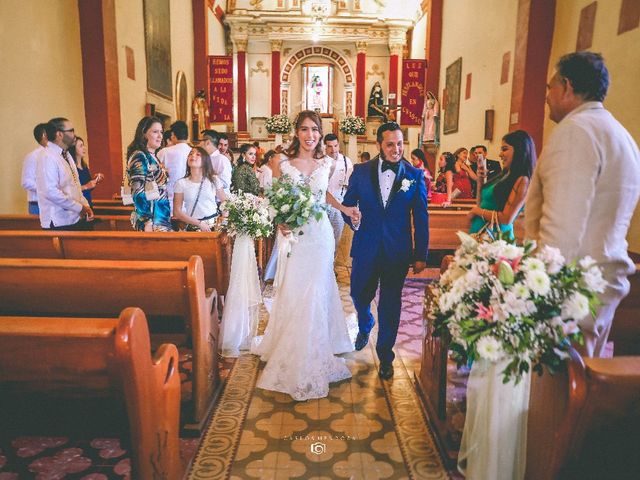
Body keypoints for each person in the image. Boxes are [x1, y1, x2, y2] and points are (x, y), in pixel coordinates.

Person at [525, 51, 640, 357]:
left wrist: (536, 290)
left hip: (569, 291)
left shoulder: (576, 132)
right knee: (583, 380)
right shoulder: (621, 135)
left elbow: (561, 227)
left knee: (556, 391)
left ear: (567, 86)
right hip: (601, 280)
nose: (547, 96)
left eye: (550, 87)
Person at [251, 110, 359, 401]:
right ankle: (294, 345)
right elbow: (274, 197)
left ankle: (315, 347)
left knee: (318, 288)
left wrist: (345, 209)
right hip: (297, 235)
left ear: (320, 134)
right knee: (298, 288)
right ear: (296, 133)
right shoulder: (283, 163)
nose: (310, 135)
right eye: (305, 130)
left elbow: (323, 194)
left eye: (315, 130)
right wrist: (280, 220)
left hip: (321, 234)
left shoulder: (327, 162)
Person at [342, 122, 429, 380]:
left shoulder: (414, 176)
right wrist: (353, 219)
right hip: (366, 246)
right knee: (359, 293)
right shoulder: (360, 172)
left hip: (397, 251)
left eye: (400, 143)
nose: (396, 149)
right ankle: (365, 321)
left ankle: (385, 355)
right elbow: (348, 206)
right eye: (390, 144)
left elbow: (421, 216)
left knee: (391, 304)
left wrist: (421, 254)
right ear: (379, 144)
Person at [468, 130, 536, 241]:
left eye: (505, 149)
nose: (500, 154)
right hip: (480, 233)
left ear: (519, 150)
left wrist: (477, 211)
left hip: (496, 237)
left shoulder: (523, 180)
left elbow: (506, 218)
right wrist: (480, 180)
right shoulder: (504, 174)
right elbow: (481, 203)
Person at [36, 117, 93, 230]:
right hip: (58, 221)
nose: (74, 135)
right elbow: (51, 192)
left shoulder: (66, 155)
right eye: (71, 131)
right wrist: (79, 208)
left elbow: (75, 184)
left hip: (73, 218)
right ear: (59, 134)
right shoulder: (48, 157)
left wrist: (85, 205)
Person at [126, 116, 172, 232]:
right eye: (155, 132)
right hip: (152, 221)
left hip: (161, 217)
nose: (160, 136)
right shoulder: (139, 156)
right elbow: (137, 192)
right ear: (144, 134)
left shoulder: (153, 156)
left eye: (161, 132)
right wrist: (147, 220)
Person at [173, 146, 226, 231]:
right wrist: (199, 223)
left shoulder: (214, 180)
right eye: (190, 154)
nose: (193, 156)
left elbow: (225, 201)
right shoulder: (181, 183)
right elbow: (177, 212)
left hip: (213, 225)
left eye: (198, 154)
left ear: (205, 160)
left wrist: (223, 219)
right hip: (193, 226)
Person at [324, 133, 354, 249]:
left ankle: (331, 265)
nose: (333, 150)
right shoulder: (321, 161)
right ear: (325, 147)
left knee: (336, 239)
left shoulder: (346, 161)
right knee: (323, 239)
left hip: (339, 205)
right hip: (322, 205)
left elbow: (352, 182)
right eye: (330, 147)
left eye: (335, 146)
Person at [157, 120, 191, 212]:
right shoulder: (194, 152)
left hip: (168, 198)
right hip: (189, 199)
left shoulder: (164, 152)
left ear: (173, 135)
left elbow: (154, 170)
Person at [69, 136, 104, 207]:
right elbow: (70, 190)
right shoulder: (71, 168)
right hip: (78, 205)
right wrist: (86, 186)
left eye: (83, 145)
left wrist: (96, 180)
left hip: (88, 203)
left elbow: (89, 186)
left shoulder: (84, 166)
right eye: (81, 146)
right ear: (73, 149)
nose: (84, 148)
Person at [21, 123, 47, 214]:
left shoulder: (55, 155)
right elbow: (26, 182)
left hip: (55, 205)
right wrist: (47, 188)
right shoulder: (33, 156)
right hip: (38, 205)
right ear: (44, 135)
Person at [200, 129, 232, 197]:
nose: (199, 144)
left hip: (219, 201)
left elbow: (225, 183)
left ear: (207, 142)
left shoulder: (222, 160)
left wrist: (210, 178)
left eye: (200, 141)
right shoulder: (203, 158)